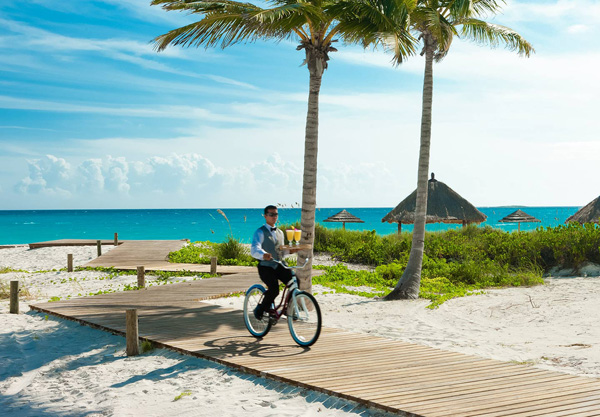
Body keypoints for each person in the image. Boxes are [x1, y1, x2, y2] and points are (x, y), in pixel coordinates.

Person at [250, 205, 300, 320]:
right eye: (271, 214)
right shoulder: (260, 232)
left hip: (279, 265)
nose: (274, 217)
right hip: (265, 267)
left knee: (295, 281)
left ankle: (289, 309)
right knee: (274, 289)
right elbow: (254, 249)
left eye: (276, 214)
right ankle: (260, 309)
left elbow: (280, 251)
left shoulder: (280, 233)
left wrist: (291, 251)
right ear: (265, 216)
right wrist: (263, 255)